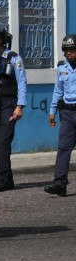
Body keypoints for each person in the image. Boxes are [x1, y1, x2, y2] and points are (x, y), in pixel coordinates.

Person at [0, 20, 27, 192]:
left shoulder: (13, 57)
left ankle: (1, 180)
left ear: (3, 38)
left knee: (3, 142)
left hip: (9, 104)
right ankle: (7, 179)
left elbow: (22, 82)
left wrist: (20, 106)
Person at [44, 34, 76, 197]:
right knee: (64, 148)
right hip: (68, 113)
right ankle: (59, 182)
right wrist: (52, 111)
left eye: (72, 50)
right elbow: (58, 91)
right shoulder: (62, 68)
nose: (69, 53)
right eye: (66, 50)